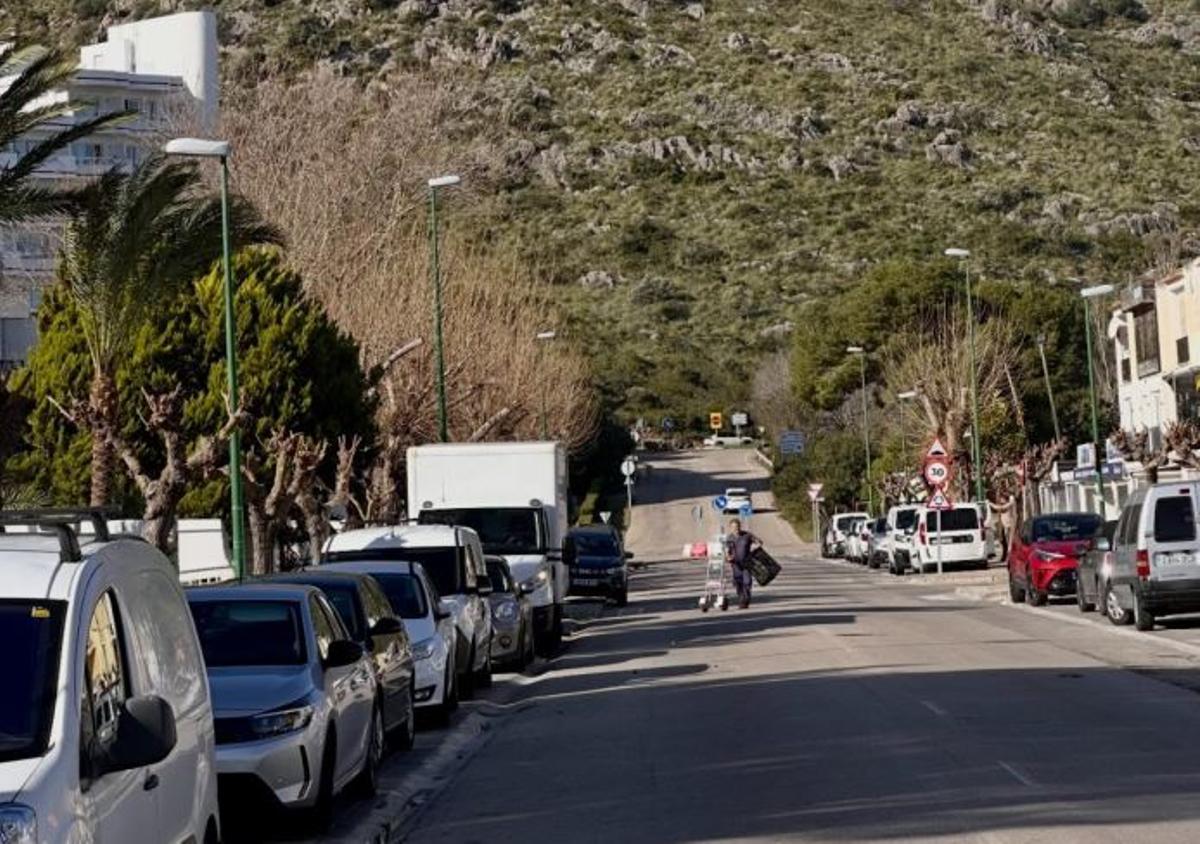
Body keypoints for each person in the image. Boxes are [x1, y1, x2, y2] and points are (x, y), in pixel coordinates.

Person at [725, 518, 761, 609]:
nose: (735, 529)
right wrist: (728, 557)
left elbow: (759, 542)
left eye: (737, 527)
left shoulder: (747, 535)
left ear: (740, 526)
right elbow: (727, 551)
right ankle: (742, 599)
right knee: (738, 583)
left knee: (747, 582)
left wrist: (755, 549)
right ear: (730, 528)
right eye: (733, 527)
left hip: (747, 563)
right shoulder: (729, 538)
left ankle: (745, 600)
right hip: (736, 564)